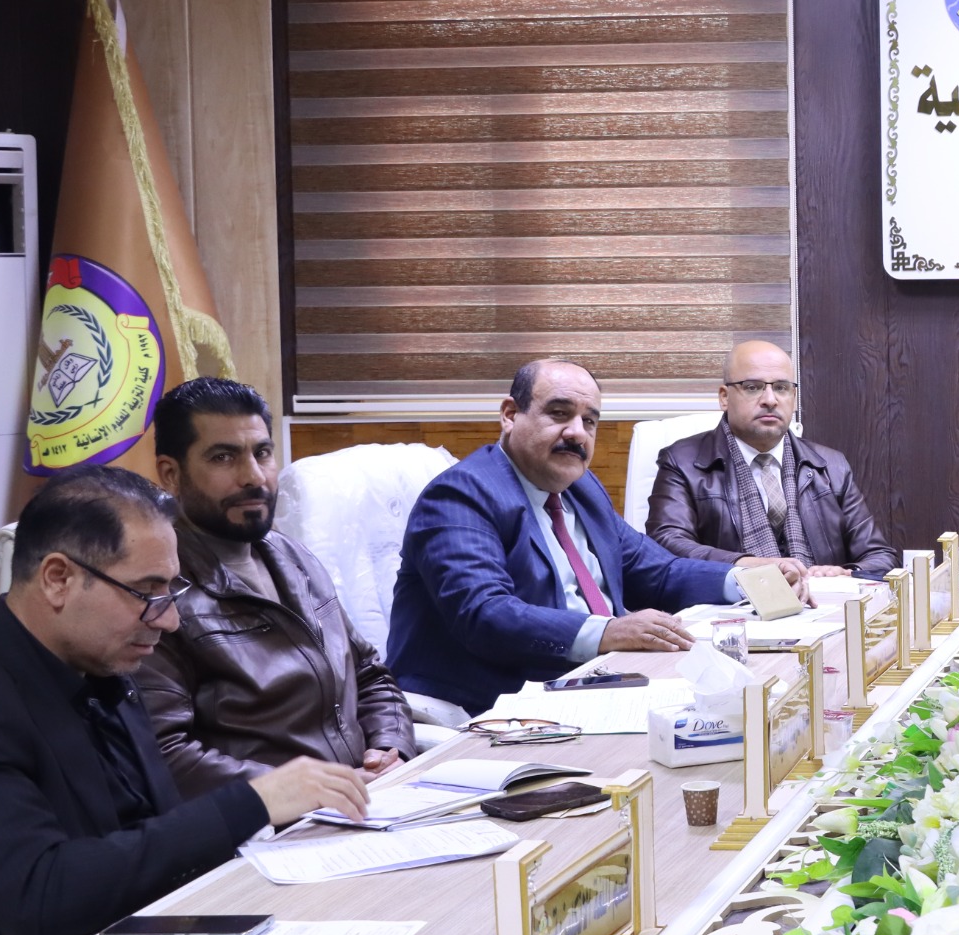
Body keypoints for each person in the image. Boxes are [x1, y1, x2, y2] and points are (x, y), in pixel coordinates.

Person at [0, 468, 367, 935]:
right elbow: (43, 898)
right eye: (146, 591)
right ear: (57, 579)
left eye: (171, 589)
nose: (168, 620)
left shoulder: (98, 666)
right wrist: (247, 804)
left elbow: (146, 830)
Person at [388, 357, 736, 717]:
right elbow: (484, 613)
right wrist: (609, 632)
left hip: (597, 684)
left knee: (729, 705)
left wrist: (749, 582)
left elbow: (659, 572)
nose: (577, 433)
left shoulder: (580, 489)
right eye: (559, 413)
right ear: (510, 414)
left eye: (589, 421)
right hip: (494, 706)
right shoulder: (461, 495)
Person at [136, 377, 414, 796]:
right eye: (223, 457)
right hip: (268, 823)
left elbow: (370, 675)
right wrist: (303, 790)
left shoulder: (293, 556)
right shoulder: (155, 593)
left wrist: (390, 746)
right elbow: (165, 754)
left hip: (367, 801)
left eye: (262, 453)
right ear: (171, 474)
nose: (253, 476)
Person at [647, 339, 898, 581]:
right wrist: (746, 565)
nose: (770, 400)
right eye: (752, 387)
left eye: (781, 388)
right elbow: (666, 544)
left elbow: (880, 557)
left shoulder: (831, 466)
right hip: (733, 604)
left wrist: (845, 574)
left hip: (821, 601)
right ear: (724, 397)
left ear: (794, 397)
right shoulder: (682, 462)